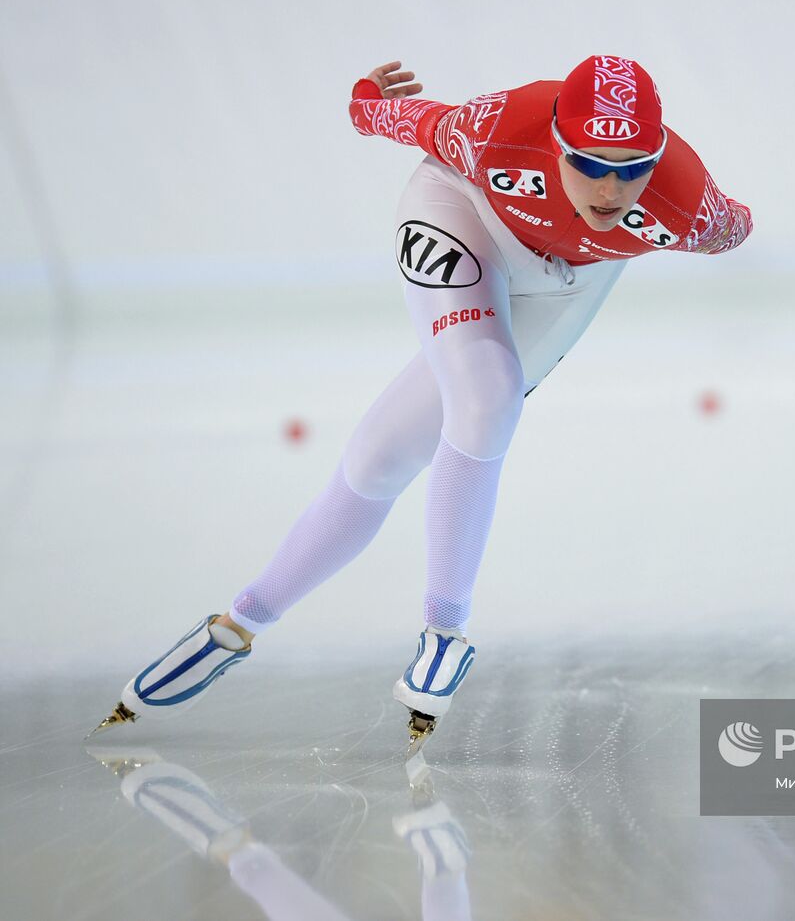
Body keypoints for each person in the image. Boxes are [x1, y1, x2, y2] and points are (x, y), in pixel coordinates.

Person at [92, 55, 753, 748]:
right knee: (488, 399)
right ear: (556, 140)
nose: (611, 187)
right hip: (463, 214)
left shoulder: (689, 208)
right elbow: (396, 118)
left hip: (568, 283)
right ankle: (437, 630)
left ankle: (240, 624)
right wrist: (364, 99)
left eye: (632, 166)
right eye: (588, 161)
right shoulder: (496, 129)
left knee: (380, 459)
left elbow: (736, 224)